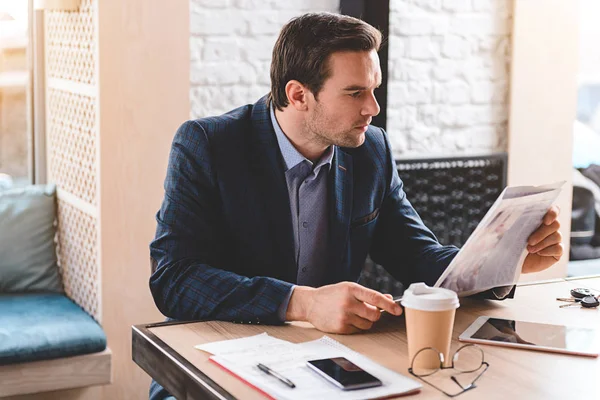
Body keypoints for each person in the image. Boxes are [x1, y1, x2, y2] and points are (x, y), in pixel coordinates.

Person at [148, 12, 563, 399]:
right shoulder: (208, 145)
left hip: (322, 365)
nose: (373, 109)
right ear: (298, 95)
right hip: (214, 360)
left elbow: (417, 256)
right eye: (355, 93)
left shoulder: (370, 151)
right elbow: (175, 280)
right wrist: (304, 302)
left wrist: (505, 259)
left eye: (374, 89)